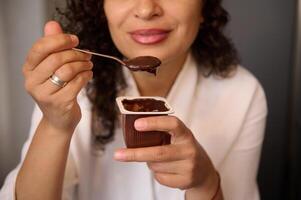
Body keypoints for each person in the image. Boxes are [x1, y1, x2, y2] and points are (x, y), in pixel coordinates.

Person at [0, 0, 268, 199]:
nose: (146, 9)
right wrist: (55, 125)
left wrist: (206, 183)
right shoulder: (72, 86)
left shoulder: (242, 93)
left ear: (204, 8)